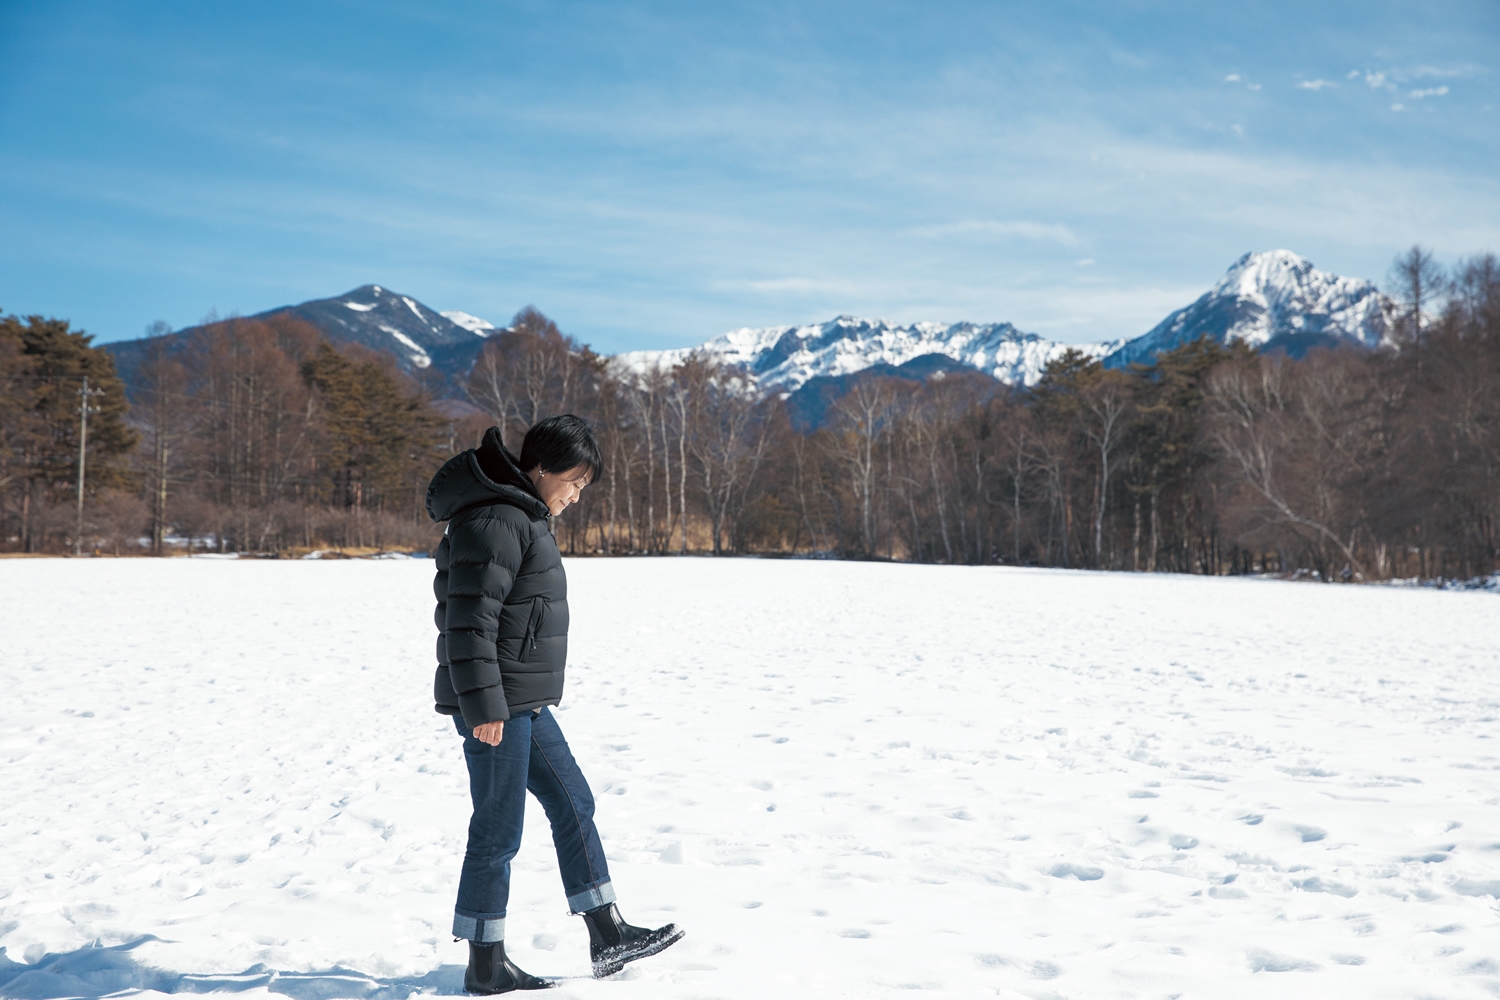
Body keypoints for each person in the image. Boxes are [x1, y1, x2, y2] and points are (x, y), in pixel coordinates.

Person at [425, 414, 684, 993]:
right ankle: (485, 964)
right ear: (541, 468)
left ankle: (607, 932)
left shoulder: (521, 515)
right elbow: (469, 621)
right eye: (571, 481)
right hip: (498, 706)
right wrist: (485, 708)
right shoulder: (498, 519)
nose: (574, 494)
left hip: (524, 699)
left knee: (574, 800)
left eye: (583, 486)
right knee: (497, 831)